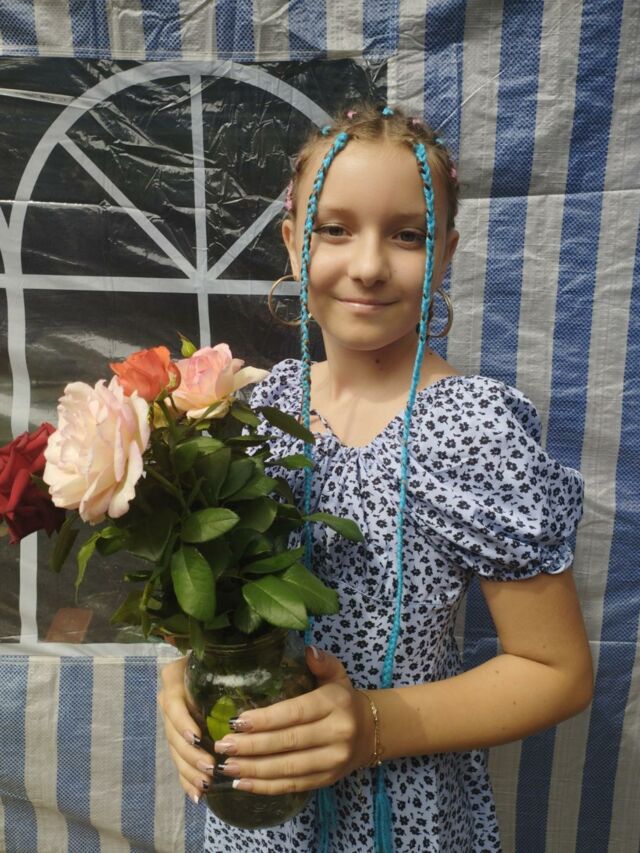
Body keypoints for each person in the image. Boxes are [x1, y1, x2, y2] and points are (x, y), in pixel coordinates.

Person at [158, 103, 593, 852]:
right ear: (292, 242)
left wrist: (371, 727)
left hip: (405, 816)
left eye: (407, 234)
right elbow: (216, 603)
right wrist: (185, 676)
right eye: (335, 229)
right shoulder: (250, 412)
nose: (367, 264)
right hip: (258, 813)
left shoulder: (474, 429)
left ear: (445, 253)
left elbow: (556, 669)